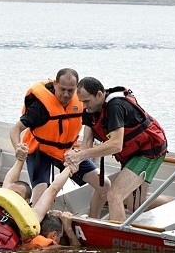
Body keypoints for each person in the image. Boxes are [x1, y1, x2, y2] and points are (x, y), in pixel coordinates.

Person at [65, 77, 168, 223]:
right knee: (107, 189)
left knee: (115, 195)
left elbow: (116, 144)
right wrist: (76, 157)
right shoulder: (89, 111)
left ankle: (117, 238)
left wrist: (82, 155)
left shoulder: (115, 106)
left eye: (87, 101)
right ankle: (92, 222)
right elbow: (87, 142)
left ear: (99, 95)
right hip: (131, 154)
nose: (84, 106)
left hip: (148, 151)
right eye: (81, 102)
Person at [10, 68, 109, 217]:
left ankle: (92, 220)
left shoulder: (82, 102)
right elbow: (16, 129)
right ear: (55, 84)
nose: (66, 94)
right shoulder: (40, 107)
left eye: (71, 90)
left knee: (104, 185)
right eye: (62, 89)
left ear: (77, 89)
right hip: (40, 151)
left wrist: (82, 152)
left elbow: (89, 132)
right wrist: (18, 147)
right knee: (38, 201)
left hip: (68, 150)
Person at [0, 144, 79, 250]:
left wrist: (69, 168)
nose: (11, 197)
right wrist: (20, 159)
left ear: (27, 202)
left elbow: (53, 189)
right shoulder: (1, 200)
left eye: (17, 195)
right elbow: (9, 179)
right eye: (10, 193)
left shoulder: (32, 215)